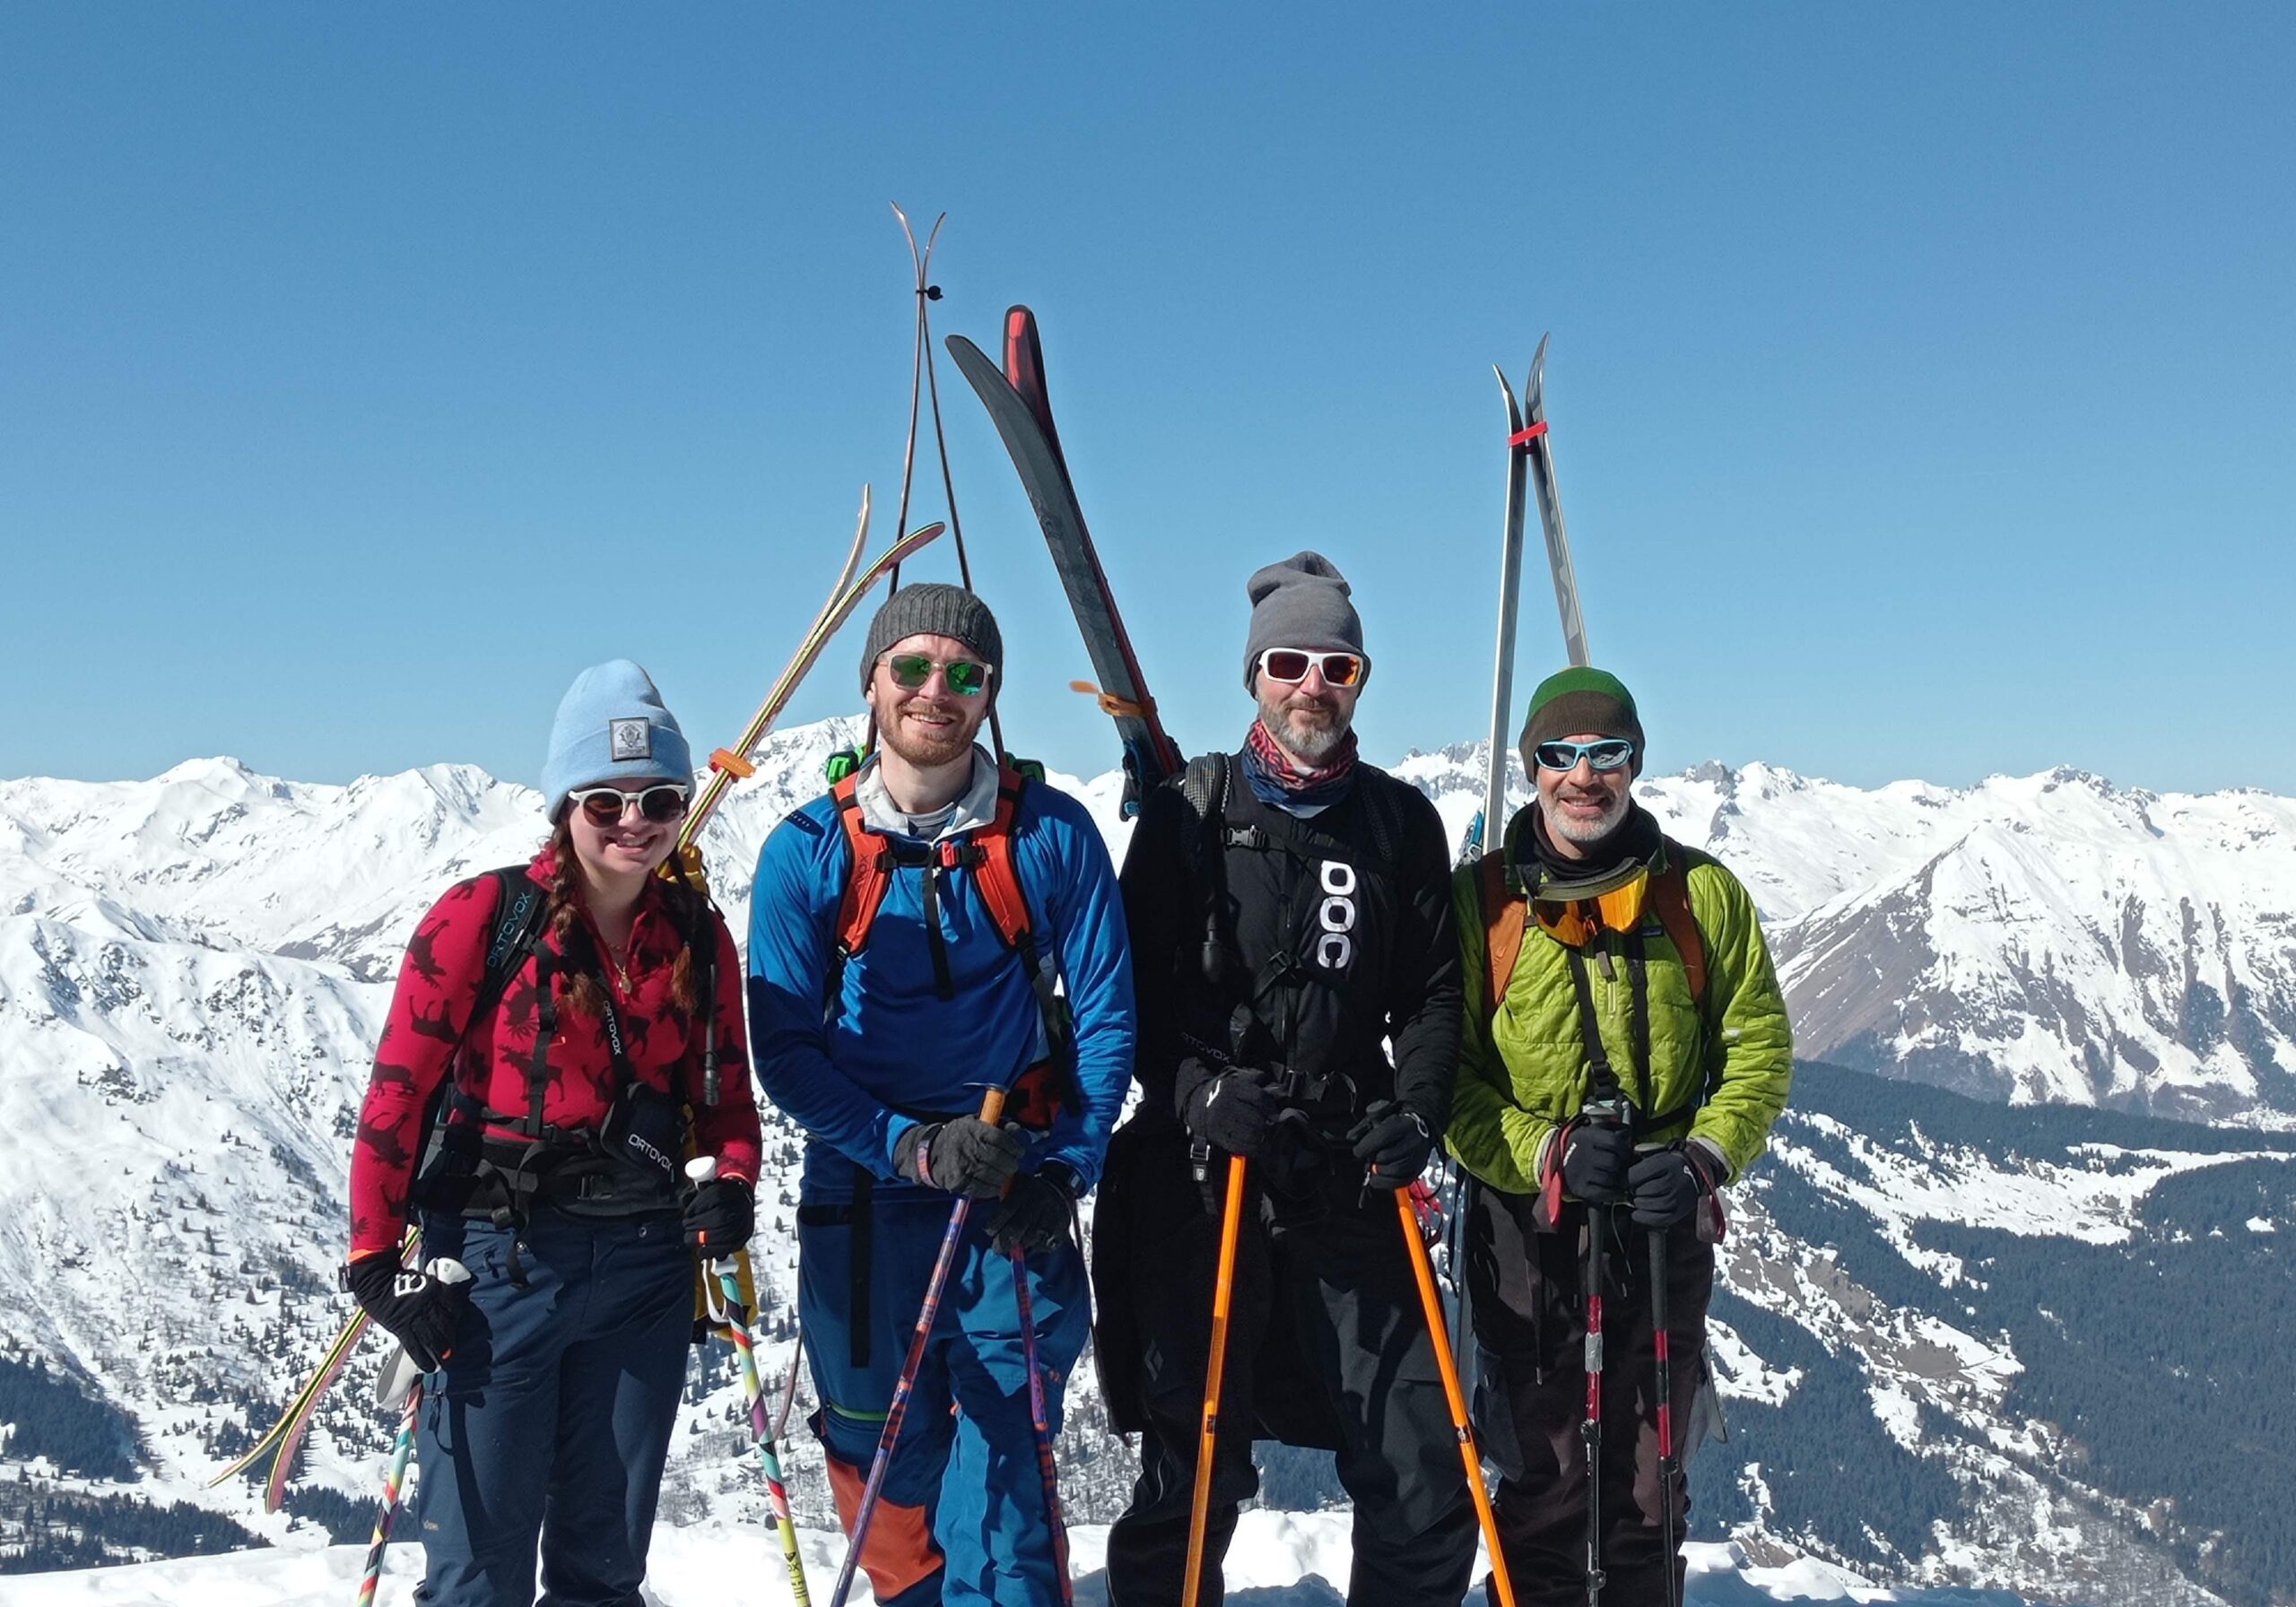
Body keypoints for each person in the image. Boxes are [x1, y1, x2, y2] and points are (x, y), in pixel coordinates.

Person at [1097, 552, 1476, 1607]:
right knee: (1191, 1465)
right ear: (1254, 675)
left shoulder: (1398, 824)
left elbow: (1432, 994)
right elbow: (1128, 993)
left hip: (1345, 1164)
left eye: (1337, 667)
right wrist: (1193, 1091)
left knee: (1420, 1463)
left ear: (1360, 681)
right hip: (1202, 1167)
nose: (1313, 684)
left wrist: (1418, 1110)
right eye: (1288, 663)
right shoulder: (1188, 812)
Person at [745, 582, 1135, 1607]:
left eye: (964, 672)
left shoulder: (1050, 835)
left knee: (1010, 1449)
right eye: (911, 666)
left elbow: (1105, 1018)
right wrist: (910, 1146)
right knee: (880, 1451)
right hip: (865, 1187)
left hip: (1010, 1187)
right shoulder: (806, 850)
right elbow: (784, 1050)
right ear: (870, 682)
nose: (936, 689)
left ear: (990, 691)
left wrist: (1065, 1170)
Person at [343, 659, 763, 1607]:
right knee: (477, 1578)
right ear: (565, 804)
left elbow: (728, 1105)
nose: (633, 821)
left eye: (659, 799)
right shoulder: (482, 919)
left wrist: (731, 1184)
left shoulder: (697, 936)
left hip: (645, 1268)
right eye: (605, 800)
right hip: (496, 1267)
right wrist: (375, 1262)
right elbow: (397, 1097)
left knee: (603, 1570)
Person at [1447, 665, 1793, 1606]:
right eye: (1559, 754)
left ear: (1635, 762)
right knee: (1544, 1472)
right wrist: (1543, 1150)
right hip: (1529, 1229)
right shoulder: (1481, 904)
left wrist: (1702, 1159)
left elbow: (1757, 1048)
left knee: (1649, 1479)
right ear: (1530, 767)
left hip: (1658, 1217)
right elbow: (1448, 1079)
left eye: (1607, 753)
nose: (1583, 776)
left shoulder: (1700, 894)